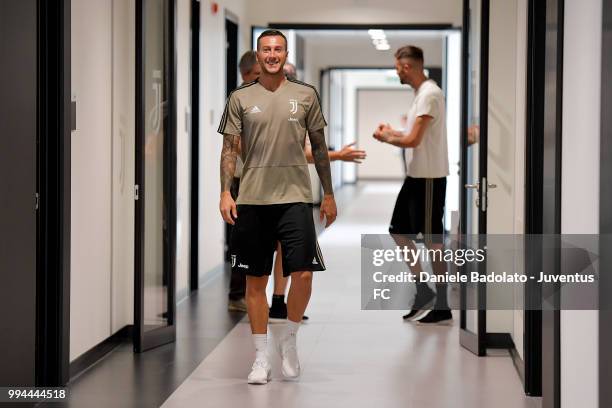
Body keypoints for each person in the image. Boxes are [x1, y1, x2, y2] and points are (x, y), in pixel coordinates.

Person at [218, 30, 337, 384]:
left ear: (286, 53)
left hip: (296, 198)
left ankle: (290, 340)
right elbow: (228, 149)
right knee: (257, 280)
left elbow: (318, 146)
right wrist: (226, 192)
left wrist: (328, 193)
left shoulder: (305, 95)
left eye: (278, 49)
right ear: (258, 55)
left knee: (303, 274)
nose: (272, 55)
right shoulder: (240, 97)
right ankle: (260, 358)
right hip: (253, 199)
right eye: (266, 50)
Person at [268, 62, 367, 321]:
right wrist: (339, 156)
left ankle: (279, 300)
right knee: (267, 255)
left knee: (285, 250)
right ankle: (272, 302)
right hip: (262, 192)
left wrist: (336, 160)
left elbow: (305, 153)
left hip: (291, 192)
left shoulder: (298, 108)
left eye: (290, 74)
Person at [373, 45, 452, 325]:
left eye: (397, 69)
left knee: (433, 240)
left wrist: (385, 139)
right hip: (416, 177)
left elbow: (413, 141)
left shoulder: (430, 94)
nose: (397, 73)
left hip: (429, 177)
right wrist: (391, 132)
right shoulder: (421, 94)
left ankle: (442, 303)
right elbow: (410, 134)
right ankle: (423, 289)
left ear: (407, 67)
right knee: (398, 231)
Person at [227, 51, 263, 312]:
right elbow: (236, 143)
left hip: (256, 178)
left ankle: (248, 292)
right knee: (242, 239)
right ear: (246, 74)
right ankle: (237, 294)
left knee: (255, 240)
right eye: (258, 74)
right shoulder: (238, 100)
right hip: (242, 180)